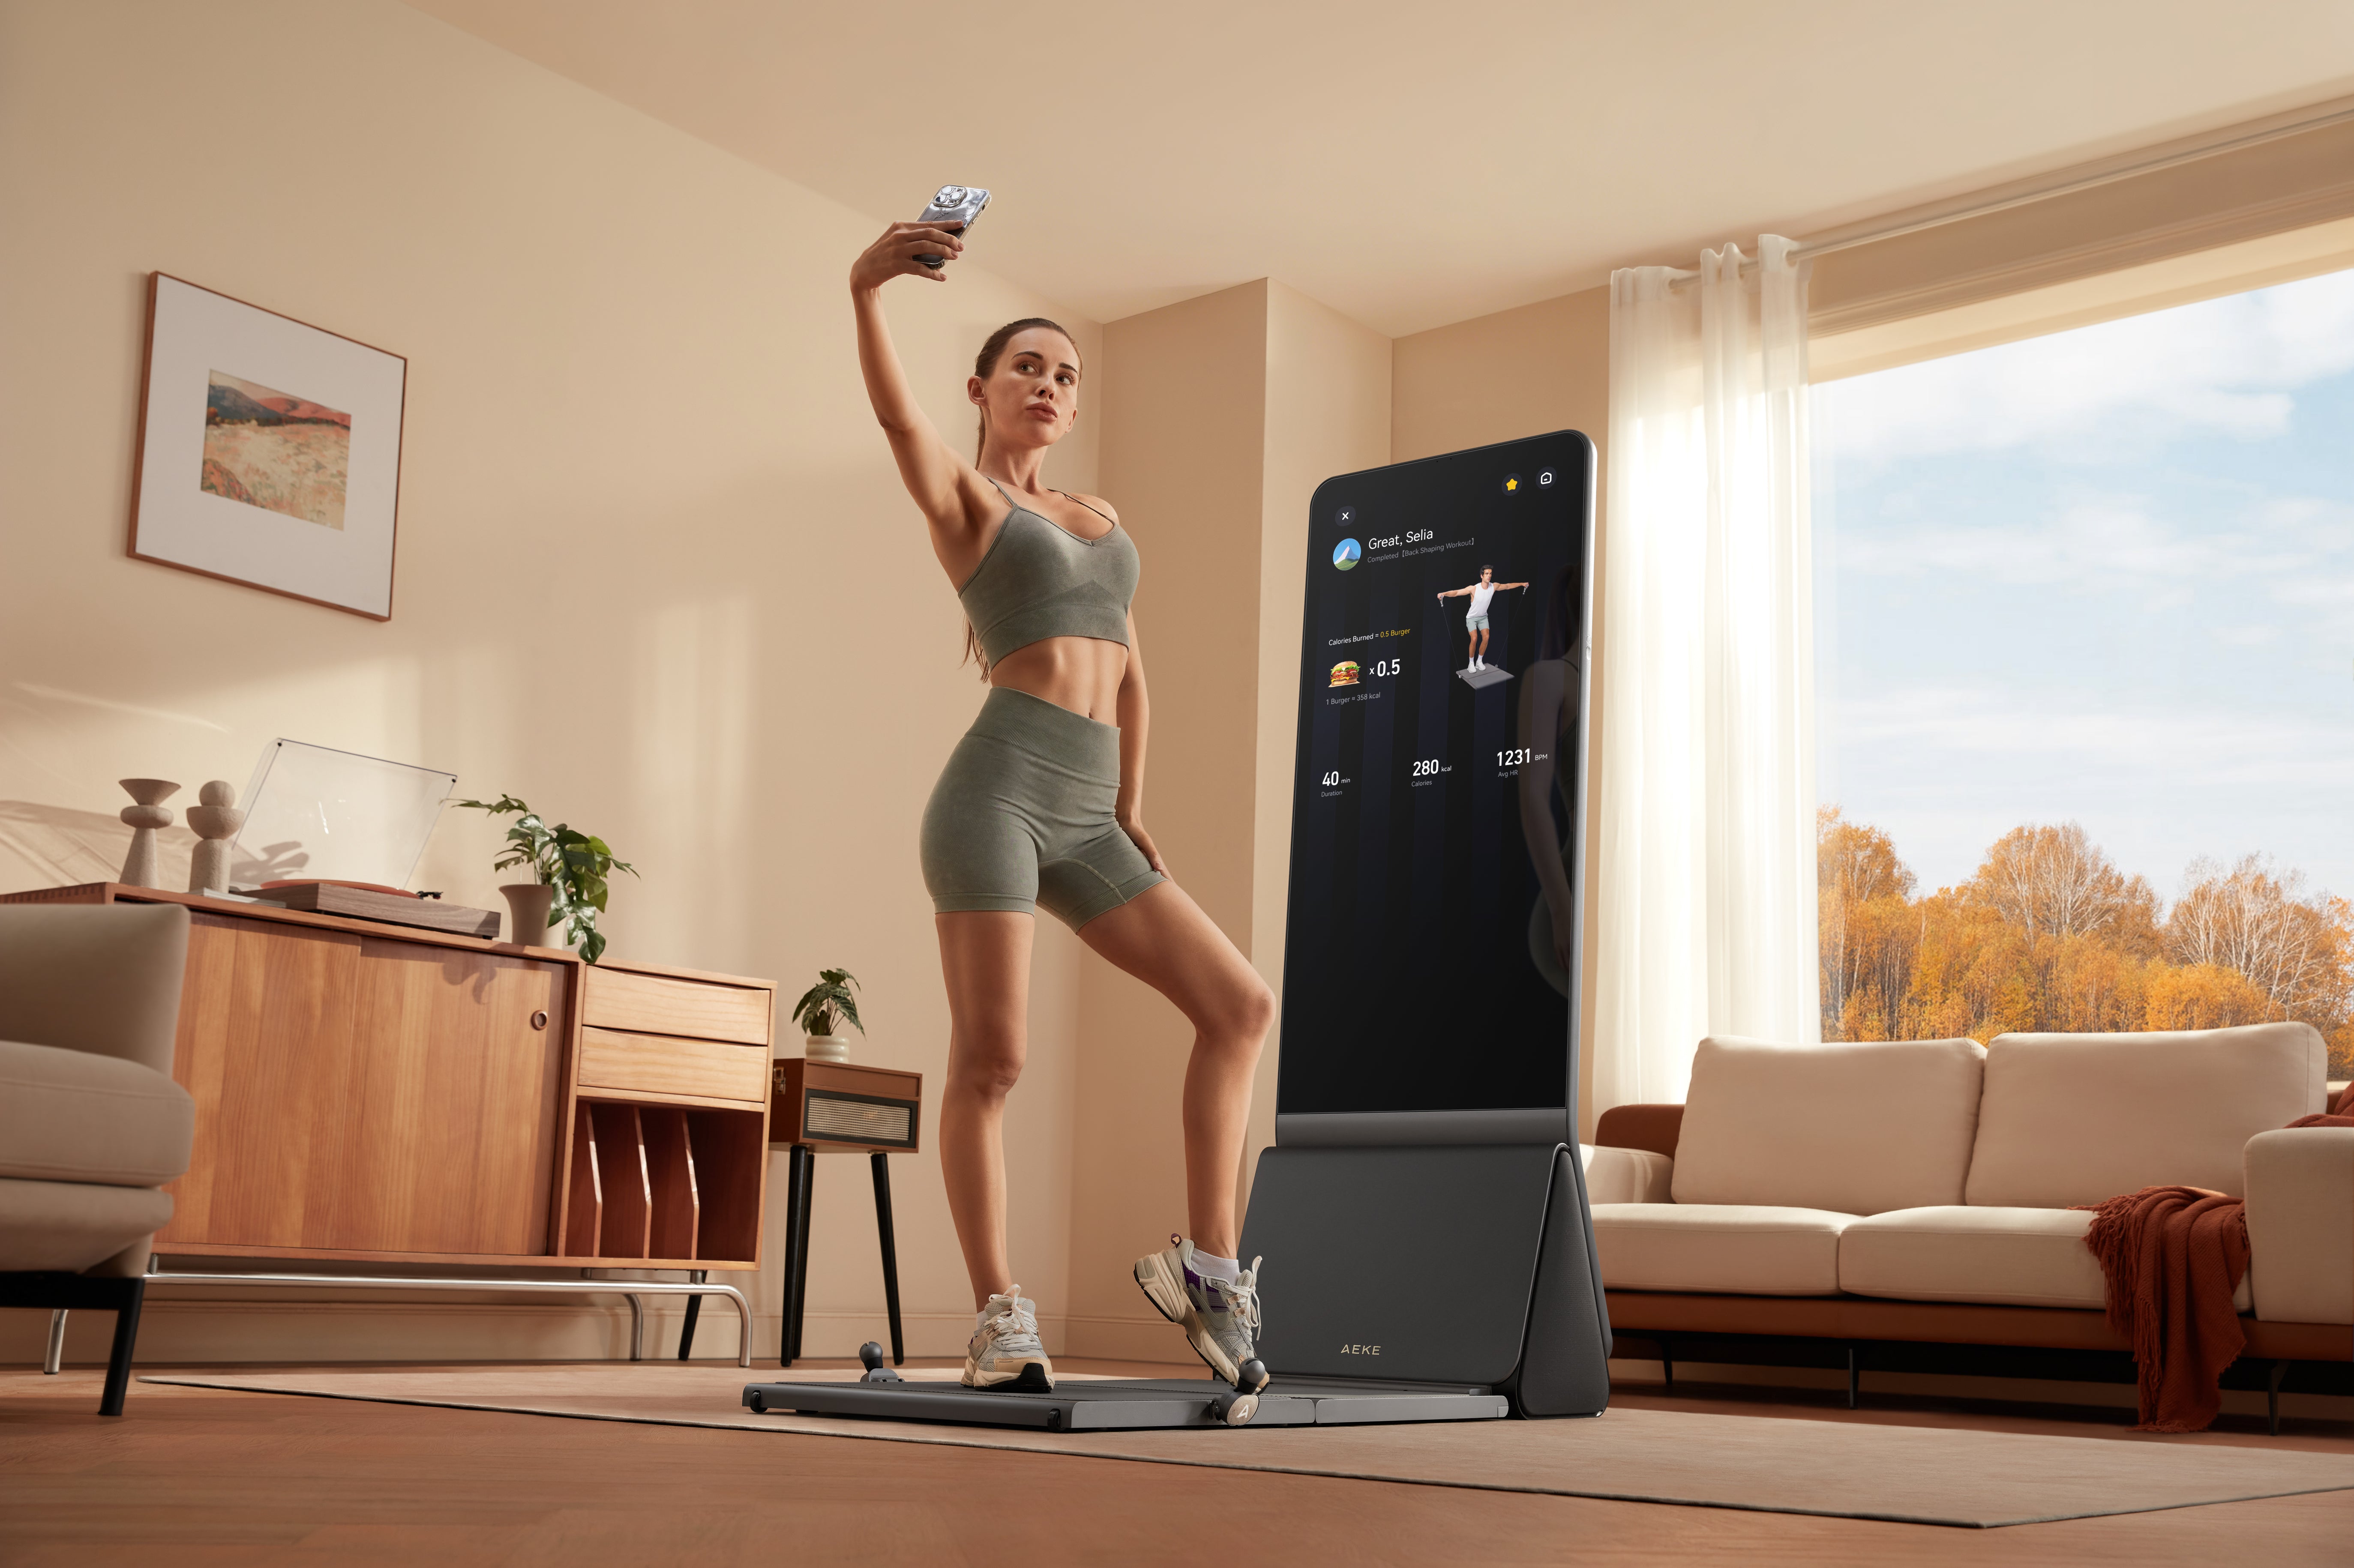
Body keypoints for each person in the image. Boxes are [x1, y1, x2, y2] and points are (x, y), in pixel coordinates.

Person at [850, 218, 1277, 1394]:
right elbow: (895, 419)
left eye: (1066, 372)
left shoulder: (1102, 518)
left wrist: (1130, 803)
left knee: (1238, 1003)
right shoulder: (969, 504)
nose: (1048, 383)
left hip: (1091, 812)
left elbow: (1133, 668)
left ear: (1076, 408)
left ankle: (1205, 1272)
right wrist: (866, 289)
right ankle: (998, 1315)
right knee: (993, 1061)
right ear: (983, 390)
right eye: (1026, 365)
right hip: (992, 793)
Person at [1437, 566, 1528, 672]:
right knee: (1475, 638)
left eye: (1490, 574)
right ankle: (1471, 663)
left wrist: (1522, 584)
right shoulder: (1474, 589)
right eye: (1487, 574)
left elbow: (1508, 586)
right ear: (1482, 576)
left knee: (1486, 637)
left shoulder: (1494, 587)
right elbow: (1457, 592)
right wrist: (1444, 594)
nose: (1489, 576)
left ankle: (1479, 661)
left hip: (1483, 617)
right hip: (1472, 618)